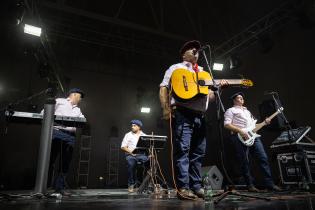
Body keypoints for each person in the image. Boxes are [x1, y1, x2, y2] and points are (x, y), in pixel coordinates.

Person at [159, 40, 228, 200]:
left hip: (200, 116)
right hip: (183, 113)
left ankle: (196, 186)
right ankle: (183, 187)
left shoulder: (204, 72)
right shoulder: (175, 68)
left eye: (197, 48)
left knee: (198, 152)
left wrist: (219, 91)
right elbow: (163, 87)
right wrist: (165, 109)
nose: (196, 50)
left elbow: (208, 98)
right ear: (184, 53)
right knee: (183, 150)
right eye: (192, 48)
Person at [224, 92, 281, 192]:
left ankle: (270, 184)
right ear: (234, 100)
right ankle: (250, 185)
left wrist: (265, 122)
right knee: (244, 161)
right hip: (239, 137)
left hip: (253, 137)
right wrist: (241, 131)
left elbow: (254, 126)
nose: (241, 99)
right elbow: (227, 125)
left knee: (263, 158)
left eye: (242, 97)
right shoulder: (230, 110)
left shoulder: (247, 111)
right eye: (239, 97)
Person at [45, 88, 85, 195]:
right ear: (75, 95)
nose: (80, 100)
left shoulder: (78, 110)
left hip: (70, 136)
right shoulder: (59, 101)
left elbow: (82, 119)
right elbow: (45, 112)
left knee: (65, 163)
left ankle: (59, 188)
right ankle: (45, 187)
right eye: (80, 97)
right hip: (57, 132)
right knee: (50, 160)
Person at [121, 119, 149, 193]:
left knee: (150, 163)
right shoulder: (128, 135)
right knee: (131, 164)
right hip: (131, 155)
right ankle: (131, 184)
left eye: (134, 125)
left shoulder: (144, 135)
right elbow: (123, 147)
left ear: (139, 127)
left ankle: (145, 184)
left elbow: (148, 147)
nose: (132, 127)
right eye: (132, 125)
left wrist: (150, 154)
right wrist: (131, 152)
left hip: (141, 155)